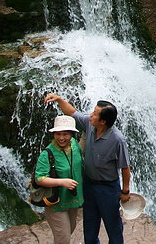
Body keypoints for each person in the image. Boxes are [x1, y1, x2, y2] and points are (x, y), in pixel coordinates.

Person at [43, 94, 131, 244]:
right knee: (90, 224)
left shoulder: (117, 140)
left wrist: (125, 191)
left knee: (113, 226)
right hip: (89, 185)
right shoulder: (90, 125)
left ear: (103, 121)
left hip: (108, 188)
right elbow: (72, 112)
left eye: (95, 114)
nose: (91, 115)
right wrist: (58, 99)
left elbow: (125, 167)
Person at [35, 115, 84, 244]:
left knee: (69, 232)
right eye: (58, 134)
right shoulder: (47, 153)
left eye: (65, 134)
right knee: (64, 239)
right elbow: (39, 178)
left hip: (73, 200)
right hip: (56, 203)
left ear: (72, 134)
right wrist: (62, 182)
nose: (61, 138)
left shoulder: (74, 145)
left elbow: (83, 143)